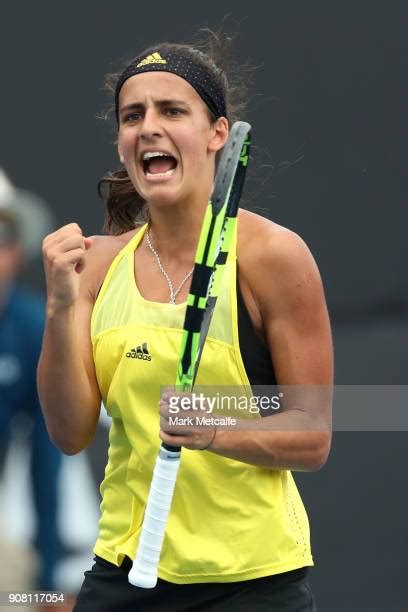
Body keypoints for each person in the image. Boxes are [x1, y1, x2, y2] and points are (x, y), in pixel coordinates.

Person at [38, 32, 333, 612]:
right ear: (122, 143)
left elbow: (313, 431)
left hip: (253, 584)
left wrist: (213, 424)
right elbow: (70, 433)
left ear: (216, 133)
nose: (148, 126)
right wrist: (59, 308)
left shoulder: (274, 256)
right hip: (124, 573)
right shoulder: (97, 265)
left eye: (172, 110)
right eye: (133, 115)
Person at [0, 170, 64, 593]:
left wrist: (47, 583)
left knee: (18, 595)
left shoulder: (31, 326)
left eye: (4, 237)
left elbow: (47, 462)